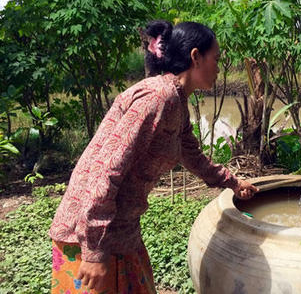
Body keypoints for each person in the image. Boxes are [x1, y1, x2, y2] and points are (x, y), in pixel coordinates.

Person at [49, 20, 259, 294]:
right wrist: (93, 251)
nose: (219, 68)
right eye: (216, 59)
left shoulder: (176, 101)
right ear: (196, 57)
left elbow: (191, 154)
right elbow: (105, 170)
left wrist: (233, 182)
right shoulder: (158, 99)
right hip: (90, 237)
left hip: (123, 231)